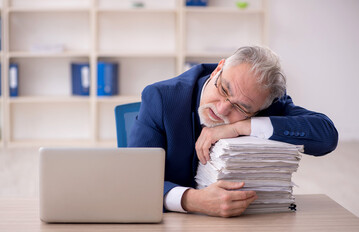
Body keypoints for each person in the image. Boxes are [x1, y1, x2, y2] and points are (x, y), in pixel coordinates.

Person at [128, 46, 338, 217]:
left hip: (246, 222)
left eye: (241, 108)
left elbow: (327, 136)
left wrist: (242, 126)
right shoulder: (161, 98)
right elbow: (136, 180)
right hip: (175, 223)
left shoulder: (263, 101)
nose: (221, 109)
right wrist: (192, 200)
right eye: (223, 90)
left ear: (258, 109)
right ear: (218, 69)